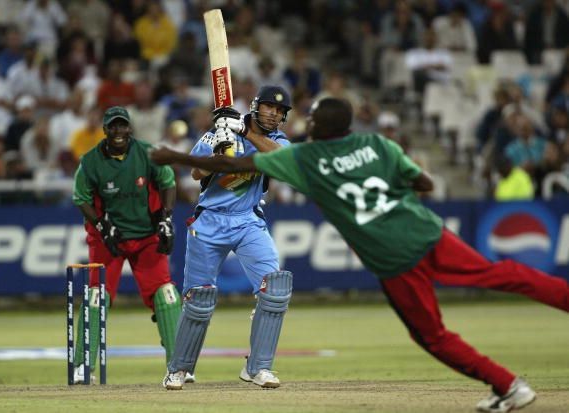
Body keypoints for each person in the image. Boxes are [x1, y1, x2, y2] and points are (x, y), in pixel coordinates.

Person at [151, 97, 569, 412]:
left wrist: (175, 156)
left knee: (434, 336)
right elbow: (423, 183)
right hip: (428, 232)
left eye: (310, 119)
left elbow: (224, 169)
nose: (305, 123)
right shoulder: (377, 144)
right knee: (501, 274)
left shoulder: (305, 159)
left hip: (394, 261)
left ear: (317, 127)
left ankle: (509, 386)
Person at [160, 85, 294, 390]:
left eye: (280, 111)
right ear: (257, 106)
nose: (274, 114)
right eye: (269, 108)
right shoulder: (219, 130)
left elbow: (284, 163)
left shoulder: (276, 140)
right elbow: (195, 173)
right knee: (199, 299)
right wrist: (220, 144)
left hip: (248, 221)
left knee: (275, 288)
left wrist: (245, 134)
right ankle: (179, 369)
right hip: (209, 221)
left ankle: (258, 367)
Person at [71, 106, 185, 384]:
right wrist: (101, 226)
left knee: (166, 294)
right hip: (108, 238)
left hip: (146, 236)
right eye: (113, 127)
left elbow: (168, 182)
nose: (118, 132)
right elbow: (81, 197)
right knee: (96, 295)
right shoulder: (90, 162)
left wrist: (166, 219)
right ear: (106, 130)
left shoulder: (148, 153)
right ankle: (82, 367)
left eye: (123, 126)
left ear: (130, 129)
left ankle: (178, 366)